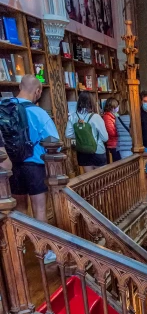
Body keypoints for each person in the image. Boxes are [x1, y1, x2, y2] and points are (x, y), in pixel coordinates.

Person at [5, 76, 57, 257]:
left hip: (11, 166)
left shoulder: (4, 108)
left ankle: (20, 248)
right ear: (38, 92)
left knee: (19, 209)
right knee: (39, 210)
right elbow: (54, 142)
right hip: (34, 165)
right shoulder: (39, 113)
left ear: (19, 86)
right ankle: (43, 251)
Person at [66, 90, 109, 172]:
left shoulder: (73, 116)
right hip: (97, 150)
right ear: (92, 102)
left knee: (89, 180)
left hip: (82, 152)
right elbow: (105, 138)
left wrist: (81, 135)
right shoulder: (96, 117)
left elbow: (68, 134)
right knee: (102, 180)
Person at [102, 97, 120, 163]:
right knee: (117, 163)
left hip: (117, 143)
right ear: (113, 107)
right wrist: (121, 132)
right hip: (113, 144)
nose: (118, 108)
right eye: (117, 106)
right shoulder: (107, 117)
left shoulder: (114, 115)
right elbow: (111, 132)